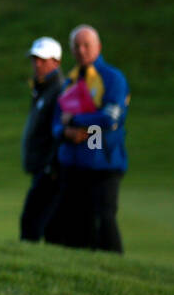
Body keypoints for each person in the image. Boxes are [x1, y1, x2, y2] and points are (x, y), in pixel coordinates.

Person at [51, 25, 130, 252]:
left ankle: (118, 269)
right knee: (73, 224)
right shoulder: (70, 81)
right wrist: (66, 132)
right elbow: (57, 122)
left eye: (87, 45)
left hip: (103, 162)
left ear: (98, 47)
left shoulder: (113, 78)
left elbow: (111, 118)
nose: (81, 50)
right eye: (76, 46)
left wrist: (76, 120)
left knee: (104, 219)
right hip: (73, 163)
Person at [19, 37, 66, 241]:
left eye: (42, 59)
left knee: (32, 222)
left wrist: (52, 165)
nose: (37, 64)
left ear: (56, 62)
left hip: (50, 170)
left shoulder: (59, 90)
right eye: (34, 59)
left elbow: (59, 131)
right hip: (41, 167)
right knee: (45, 224)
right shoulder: (42, 89)